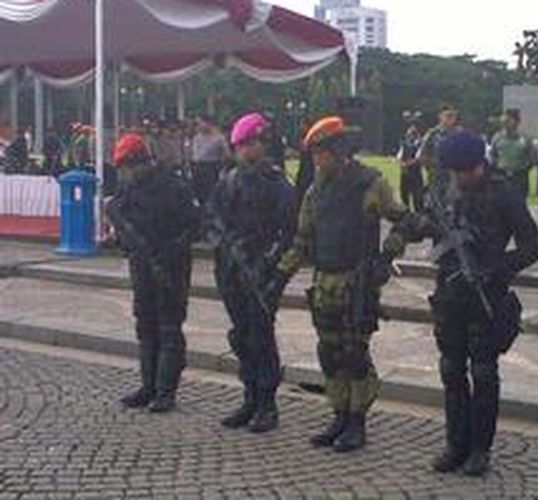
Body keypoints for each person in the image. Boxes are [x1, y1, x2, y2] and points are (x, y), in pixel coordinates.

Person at [264, 116, 414, 453]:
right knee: (329, 353)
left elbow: (406, 221)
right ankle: (339, 414)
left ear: (338, 149)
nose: (316, 159)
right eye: (314, 153)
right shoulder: (315, 192)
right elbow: (302, 241)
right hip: (325, 282)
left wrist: (386, 255)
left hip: (357, 282)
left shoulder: (370, 184)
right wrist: (279, 278)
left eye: (321, 152)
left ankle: (357, 420)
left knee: (355, 353)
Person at [414, 131, 538, 476]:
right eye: (454, 172)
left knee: (484, 373)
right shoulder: (444, 188)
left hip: (487, 293)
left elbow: (535, 245)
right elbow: (424, 223)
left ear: (479, 165)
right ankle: (454, 444)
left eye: (465, 172)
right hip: (450, 293)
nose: (460, 178)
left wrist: (497, 267)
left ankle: (479, 449)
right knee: (451, 369)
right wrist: (423, 226)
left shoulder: (504, 193)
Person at [204, 113, 296, 433]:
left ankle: (266, 404)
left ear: (263, 143)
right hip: (231, 270)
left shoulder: (277, 184)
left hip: (262, 274)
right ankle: (250, 396)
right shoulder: (227, 181)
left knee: (261, 337)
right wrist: (225, 245)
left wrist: (267, 264)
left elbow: (289, 233)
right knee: (241, 335)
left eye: (249, 143)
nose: (244, 150)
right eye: (240, 145)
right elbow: (210, 220)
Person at [106, 133, 201, 413]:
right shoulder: (128, 189)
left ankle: (165, 391)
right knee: (145, 325)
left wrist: (171, 250)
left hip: (171, 266)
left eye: (126, 168)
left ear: (140, 163)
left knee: (169, 328)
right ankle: (148, 386)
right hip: (142, 267)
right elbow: (116, 214)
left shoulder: (173, 185)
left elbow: (195, 225)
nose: (123, 175)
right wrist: (125, 238)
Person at [488, 109, 536, 198]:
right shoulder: (497, 137)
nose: (506, 123)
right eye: (505, 120)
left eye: (509, 120)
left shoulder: (525, 138)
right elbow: (493, 155)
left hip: (520, 177)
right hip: (501, 177)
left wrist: (524, 167)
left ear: (517, 122)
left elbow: (532, 157)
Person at [418, 105, 461, 201]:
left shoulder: (460, 134)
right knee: (436, 205)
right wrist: (435, 163)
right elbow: (421, 156)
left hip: (455, 179)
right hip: (436, 179)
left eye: (453, 116)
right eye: (448, 115)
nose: (450, 119)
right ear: (440, 117)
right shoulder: (432, 134)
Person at [191, 116, 230, 206]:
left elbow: (226, 154)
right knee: (199, 191)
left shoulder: (219, 138)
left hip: (212, 166)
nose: (200, 126)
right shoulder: (196, 138)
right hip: (198, 167)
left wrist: (222, 165)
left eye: (202, 123)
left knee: (212, 191)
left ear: (209, 124)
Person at [397, 124, 424, 211]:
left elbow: (418, 156)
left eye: (413, 133)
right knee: (404, 195)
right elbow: (399, 155)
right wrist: (401, 161)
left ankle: (418, 213)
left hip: (416, 173)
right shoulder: (404, 143)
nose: (411, 135)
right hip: (405, 173)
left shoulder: (420, 143)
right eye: (409, 133)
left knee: (417, 197)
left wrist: (410, 162)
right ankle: (407, 212)